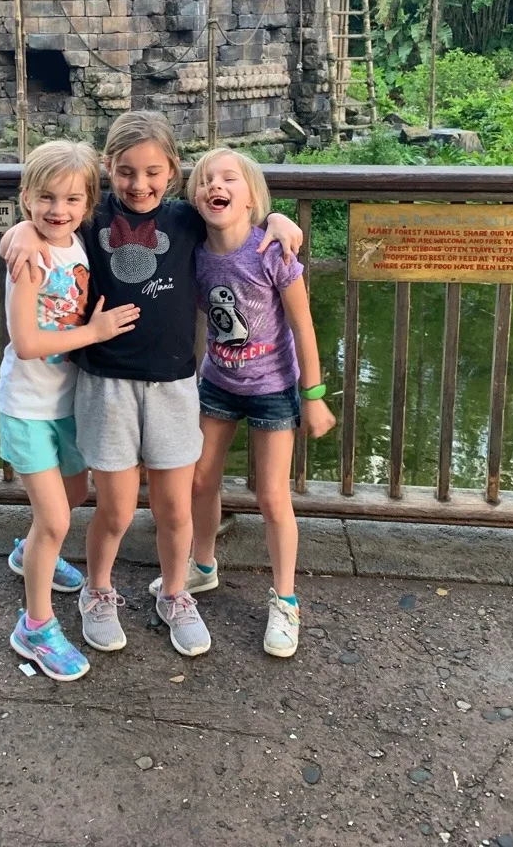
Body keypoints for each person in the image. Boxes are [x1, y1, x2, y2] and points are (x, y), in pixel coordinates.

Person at [1, 113, 303, 659]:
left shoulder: (188, 219)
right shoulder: (89, 218)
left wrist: (279, 218)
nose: (139, 184)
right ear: (107, 171)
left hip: (173, 386)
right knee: (114, 511)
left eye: (152, 172)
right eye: (125, 172)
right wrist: (18, 229)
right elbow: (44, 222)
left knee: (175, 509)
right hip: (105, 385)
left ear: (173, 173)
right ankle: (98, 591)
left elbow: (243, 220)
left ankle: (175, 594)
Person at [149, 147, 336, 658]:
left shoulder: (272, 253)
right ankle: (203, 566)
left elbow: (303, 326)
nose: (215, 185)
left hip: (274, 388)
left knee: (273, 496)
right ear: (195, 198)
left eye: (228, 178)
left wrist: (313, 396)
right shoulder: (194, 255)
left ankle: (286, 599)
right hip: (218, 383)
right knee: (201, 479)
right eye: (205, 180)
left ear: (251, 196)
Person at [0, 140, 140, 681]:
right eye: (45, 198)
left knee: (75, 494)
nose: (58, 209)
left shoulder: (80, 242)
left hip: (70, 402)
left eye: (71, 200)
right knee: (56, 518)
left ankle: (28, 552)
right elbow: (28, 341)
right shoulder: (30, 257)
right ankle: (35, 626)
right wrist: (95, 331)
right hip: (28, 405)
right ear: (27, 197)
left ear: (88, 204)